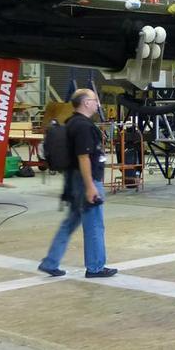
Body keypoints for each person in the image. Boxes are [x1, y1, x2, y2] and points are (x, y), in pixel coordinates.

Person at [38, 88, 117, 280]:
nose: (98, 103)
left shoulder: (71, 122)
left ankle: (51, 262)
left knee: (71, 221)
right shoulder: (82, 126)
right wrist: (90, 187)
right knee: (94, 224)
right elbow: (84, 157)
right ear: (85, 103)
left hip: (74, 179)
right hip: (85, 180)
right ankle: (96, 267)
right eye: (94, 99)